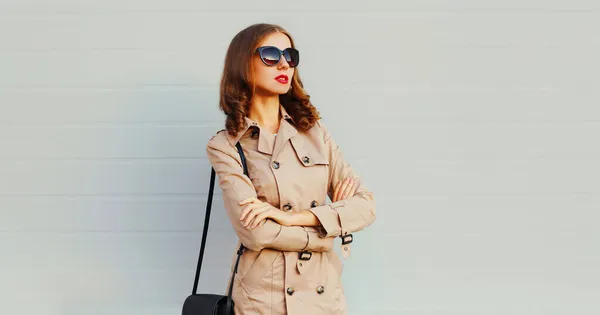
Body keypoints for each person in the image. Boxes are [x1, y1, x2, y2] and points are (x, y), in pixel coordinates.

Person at [205, 23, 376, 315]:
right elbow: (255, 234)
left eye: (290, 55)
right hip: (263, 299)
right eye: (271, 54)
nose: (284, 63)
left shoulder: (315, 132)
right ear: (243, 63)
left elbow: (365, 206)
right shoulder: (226, 145)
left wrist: (289, 218)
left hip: (322, 294)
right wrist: (327, 233)